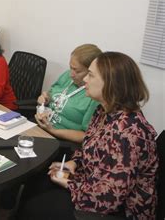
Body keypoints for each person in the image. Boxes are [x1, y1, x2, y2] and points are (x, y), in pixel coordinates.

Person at [18, 52, 158, 220]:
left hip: (116, 210)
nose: (85, 80)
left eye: (90, 75)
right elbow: (89, 147)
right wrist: (74, 162)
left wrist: (69, 183)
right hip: (91, 182)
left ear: (111, 84)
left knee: (35, 207)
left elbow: (109, 199)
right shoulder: (104, 111)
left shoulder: (128, 133)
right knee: (36, 182)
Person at [35, 44, 102, 145]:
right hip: (42, 127)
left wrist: (53, 131)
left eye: (77, 71)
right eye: (71, 67)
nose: (71, 74)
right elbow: (51, 93)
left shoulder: (94, 95)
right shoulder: (67, 76)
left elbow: (85, 135)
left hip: (61, 140)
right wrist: (46, 97)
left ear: (91, 72)